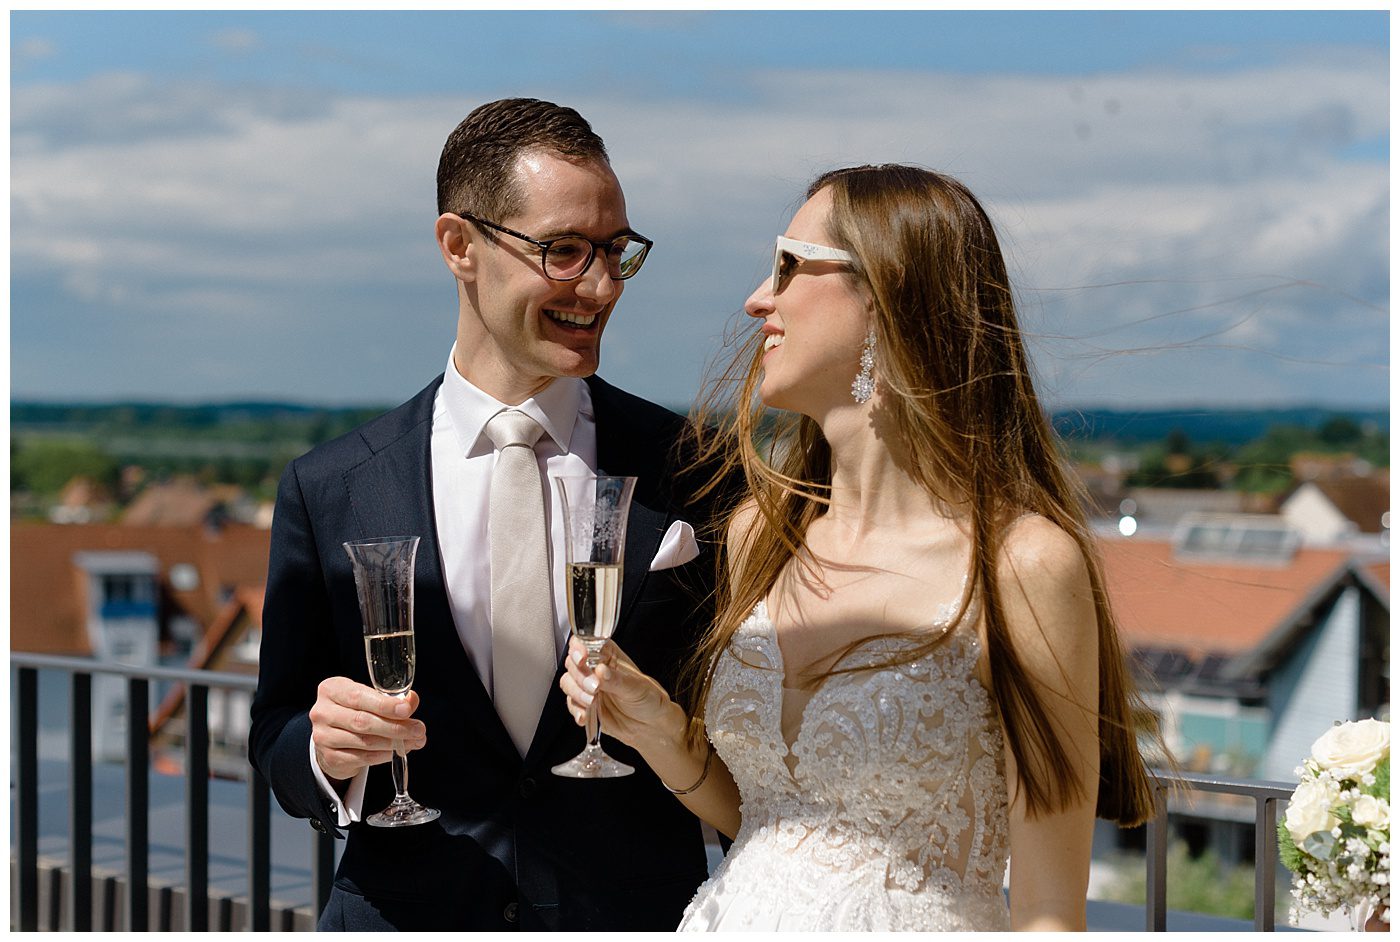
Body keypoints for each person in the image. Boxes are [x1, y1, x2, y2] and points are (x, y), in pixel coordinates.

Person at [560, 164, 1159, 931]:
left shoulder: (1021, 565)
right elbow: (771, 824)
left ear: (886, 293)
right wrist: (660, 732)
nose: (757, 300)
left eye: (787, 264)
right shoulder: (760, 537)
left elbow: (1048, 914)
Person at [249, 98, 728, 931]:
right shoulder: (329, 487)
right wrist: (324, 751)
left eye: (616, 251)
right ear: (459, 247)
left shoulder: (698, 469)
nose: (604, 285)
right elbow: (277, 739)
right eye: (565, 251)